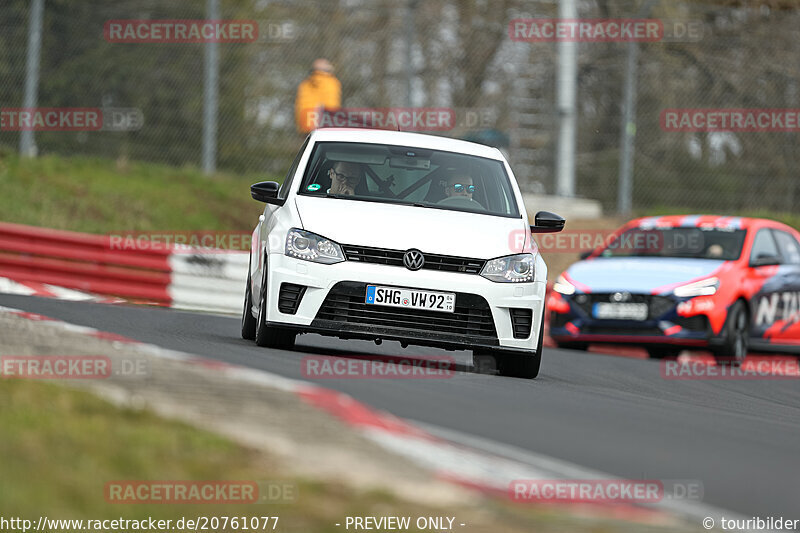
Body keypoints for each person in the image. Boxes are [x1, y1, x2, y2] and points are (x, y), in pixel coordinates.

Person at [295, 58, 342, 134]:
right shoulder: (332, 83)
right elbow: (331, 105)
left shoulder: (304, 84)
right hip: (326, 124)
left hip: (306, 124)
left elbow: (300, 107)